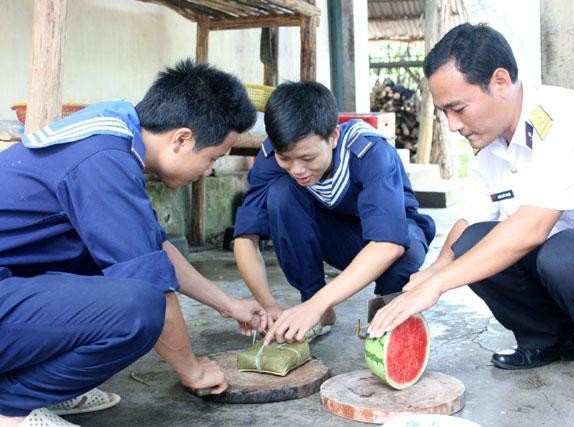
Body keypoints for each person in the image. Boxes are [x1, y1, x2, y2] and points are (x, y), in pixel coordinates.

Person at [368, 23, 574, 403]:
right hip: (569, 260)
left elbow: (530, 231)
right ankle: (552, 340)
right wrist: (432, 271)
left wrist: (438, 286)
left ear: (500, 81)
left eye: (458, 108)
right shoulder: (491, 147)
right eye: (444, 111)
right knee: (473, 242)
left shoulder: (572, 116)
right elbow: (468, 223)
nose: (453, 124)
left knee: (566, 252)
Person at [0, 59, 268, 427]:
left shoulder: (116, 134)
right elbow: (153, 286)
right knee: (139, 308)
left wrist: (227, 304)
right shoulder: (103, 158)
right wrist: (193, 371)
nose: (209, 172)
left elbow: (152, 248)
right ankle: (12, 406)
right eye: (213, 159)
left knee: (113, 267)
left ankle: (39, 388)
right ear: (182, 139)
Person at [232, 80, 435, 345]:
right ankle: (317, 306)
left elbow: (388, 244)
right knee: (281, 194)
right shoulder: (273, 157)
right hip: (338, 241)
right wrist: (268, 304)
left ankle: (390, 299)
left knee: (405, 243)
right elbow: (245, 238)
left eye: (308, 158)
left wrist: (316, 304)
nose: (297, 169)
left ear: (334, 137)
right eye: (286, 158)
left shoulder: (370, 152)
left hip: (386, 241)